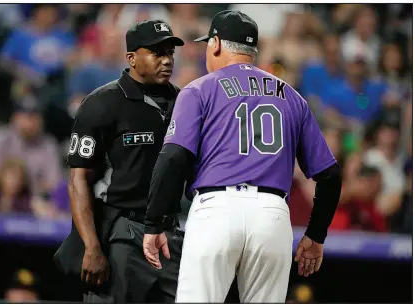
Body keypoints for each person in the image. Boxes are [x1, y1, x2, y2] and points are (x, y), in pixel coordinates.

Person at [143, 10, 342, 303]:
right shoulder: (292, 96)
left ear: (217, 44)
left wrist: (154, 223)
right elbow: (330, 176)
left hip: (216, 209)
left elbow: (172, 158)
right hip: (272, 215)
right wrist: (316, 235)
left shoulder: (199, 89)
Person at [54, 20, 185, 303]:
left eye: (170, 52)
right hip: (123, 232)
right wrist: (91, 246)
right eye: (156, 52)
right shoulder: (102, 102)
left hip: (170, 234)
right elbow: (79, 179)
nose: (166, 60)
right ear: (131, 58)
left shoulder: (183, 102)